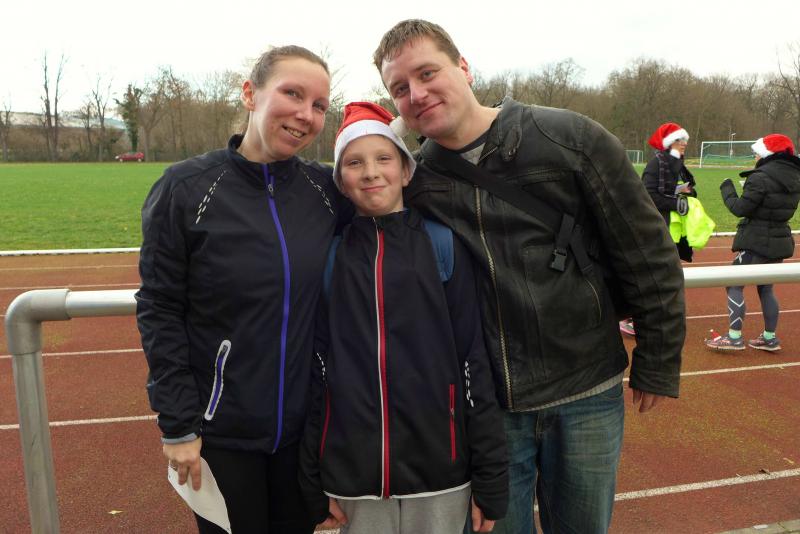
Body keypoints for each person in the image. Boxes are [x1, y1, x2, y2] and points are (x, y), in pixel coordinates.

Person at [373, 19, 686, 534]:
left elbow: (646, 249)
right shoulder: (416, 179)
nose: (417, 94)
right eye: (400, 88)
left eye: (427, 73)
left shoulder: (568, 137)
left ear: (464, 67)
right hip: (487, 407)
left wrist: (658, 358)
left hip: (585, 389)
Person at [136, 45, 350, 533]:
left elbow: (387, 185)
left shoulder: (325, 190)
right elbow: (159, 307)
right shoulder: (186, 188)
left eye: (319, 105)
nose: (306, 114)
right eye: (292, 94)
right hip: (221, 435)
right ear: (251, 94)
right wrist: (178, 423)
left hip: (303, 436)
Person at [298, 101, 508, 534]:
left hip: (440, 472)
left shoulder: (442, 245)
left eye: (384, 158)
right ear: (341, 181)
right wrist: (312, 476)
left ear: (406, 171)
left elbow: (473, 361)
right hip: (355, 475)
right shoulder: (332, 256)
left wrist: (490, 473)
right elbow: (317, 371)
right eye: (354, 163)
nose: (370, 172)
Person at [705, 134, 800, 352]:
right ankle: (769, 337)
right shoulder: (794, 177)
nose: (755, 157)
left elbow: (740, 208)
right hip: (780, 240)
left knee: (734, 283)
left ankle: (734, 337)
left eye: (756, 153)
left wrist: (727, 188)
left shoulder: (760, 177)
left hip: (756, 240)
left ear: (767, 154)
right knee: (766, 288)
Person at [619, 122, 698, 336]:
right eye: (680, 140)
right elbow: (647, 195)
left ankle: (651, 315)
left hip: (670, 226)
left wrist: (683, 191)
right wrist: (675, 203)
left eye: (685, 140)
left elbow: (670, 189)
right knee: (653, 274)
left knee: (666, 273)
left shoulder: (675, 163)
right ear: (669, 143)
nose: (684, 144)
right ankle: (630, 318)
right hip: (653, 226)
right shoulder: (657, 164)